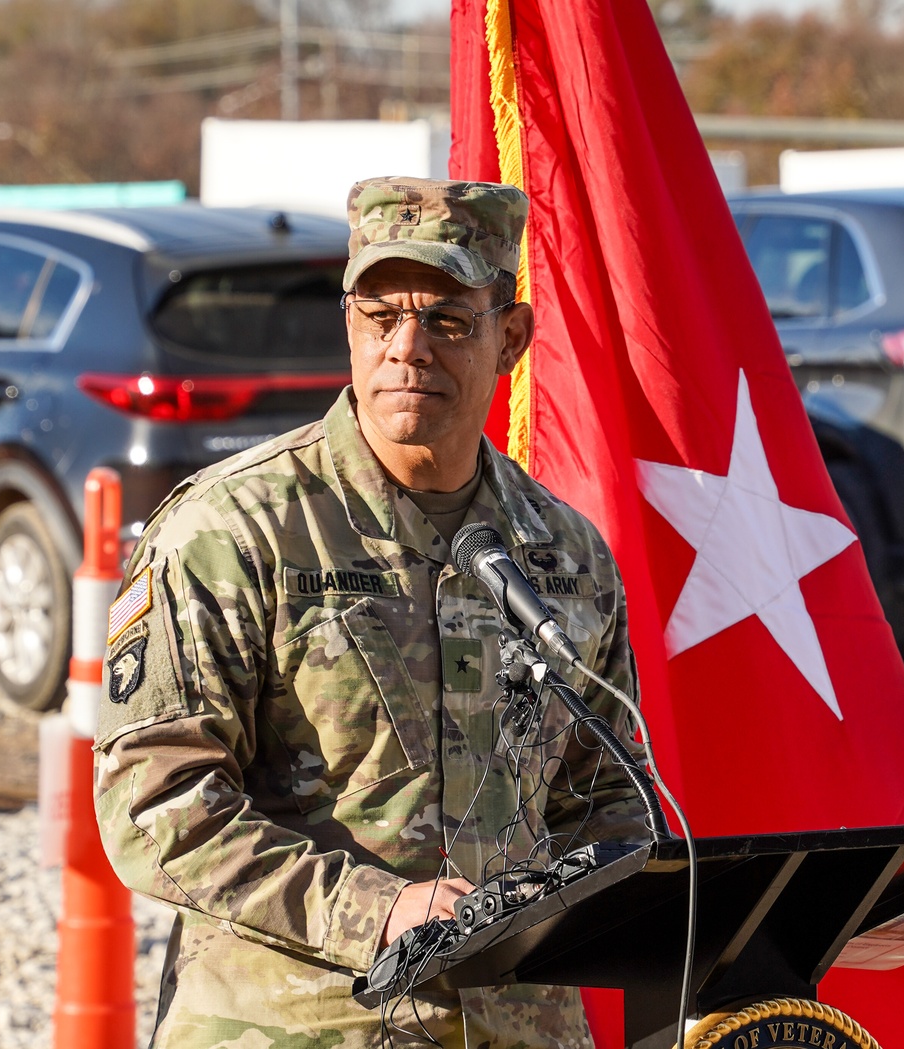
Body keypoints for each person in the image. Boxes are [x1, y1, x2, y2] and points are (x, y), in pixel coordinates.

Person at [95, 176, 649, 1049]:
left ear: (511, 338)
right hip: (301, 1025)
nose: (408, 349)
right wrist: (379, 909)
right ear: (348, 326)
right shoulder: (235, 529)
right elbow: (153, 799)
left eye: (447, 320)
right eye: (380, 316)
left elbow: (609, 789)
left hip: (518, 1030)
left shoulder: (565, 555)